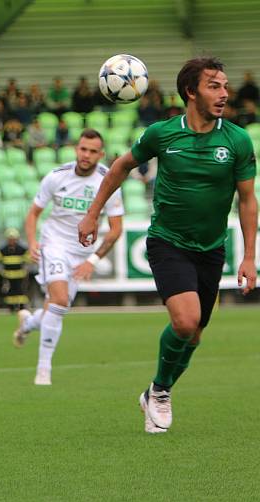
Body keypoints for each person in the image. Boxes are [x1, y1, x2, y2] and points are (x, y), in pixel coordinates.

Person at [78, 57, 257, 434]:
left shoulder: (238, 140)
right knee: (186, 319)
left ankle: (157, 390)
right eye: (214, 86)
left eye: (225, 86)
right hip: (167, 242)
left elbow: (247, 200)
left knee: (194, 333)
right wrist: (93, 213)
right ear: (191, 92)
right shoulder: (162, 134)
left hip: (211, 247)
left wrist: (249, 256)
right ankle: (160, 391)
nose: (224, 93)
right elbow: (120, 167)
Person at [14, 129, 124, 387]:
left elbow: (116, 229)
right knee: (60, 301)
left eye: (92, 151)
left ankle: (28, 324)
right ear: (76, 149)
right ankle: (43, 370)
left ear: (101, 154)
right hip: (54, 245)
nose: (86, 155)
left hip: (82, 253)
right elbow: (33, 214)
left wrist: (92, 260)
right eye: (82, 149)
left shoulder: (108, 182)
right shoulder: (56, 177)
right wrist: (32, 242)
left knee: (56, 308)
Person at [0, 228, 30, 313]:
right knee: (10, 292)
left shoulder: (22, 249)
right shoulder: (3, 250)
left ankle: (21, 307)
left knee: (20, 291)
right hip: (8, 276)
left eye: (13, 239)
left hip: (20, 276)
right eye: (10, 239)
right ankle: (11, 307)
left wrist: (26, 271)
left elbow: (28, 261)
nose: (11, 241)